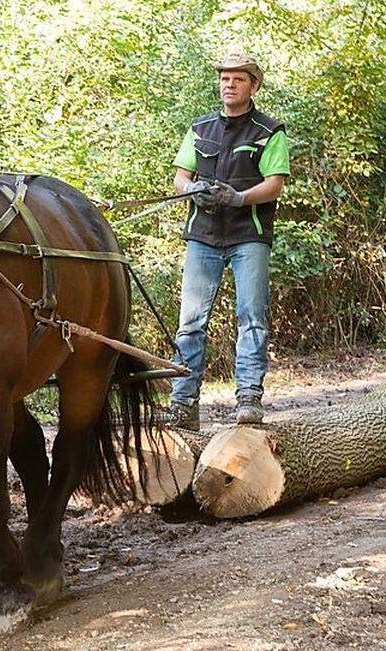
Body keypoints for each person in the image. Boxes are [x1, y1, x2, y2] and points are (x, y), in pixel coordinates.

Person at [164, 50, 290, 431]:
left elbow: (275, 185)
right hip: (202, 237)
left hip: (248, 236)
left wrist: (237, 198)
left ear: (253, 85)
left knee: (251, 318)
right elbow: (179, 179)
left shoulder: (269, 131)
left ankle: (249, 397)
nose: (228, 84)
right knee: (190, 322)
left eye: (237, 79)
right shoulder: (200, 128)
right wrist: (193, 189)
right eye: (224, 78)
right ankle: (183, 402)